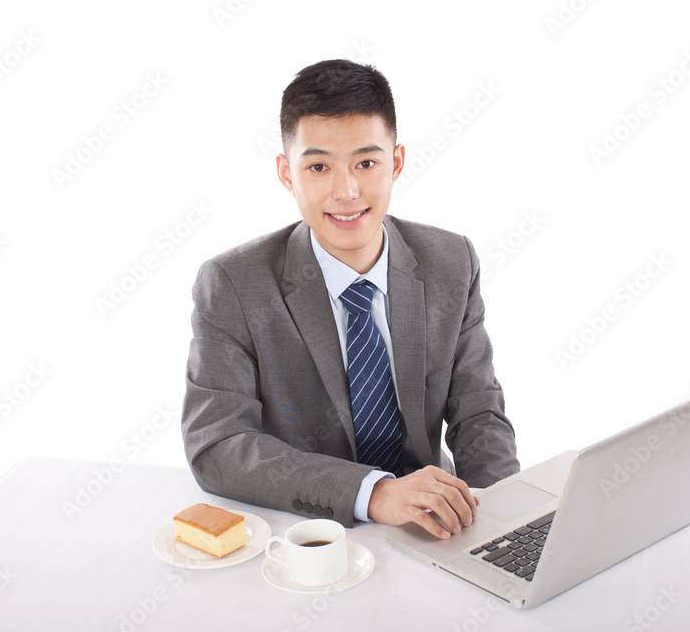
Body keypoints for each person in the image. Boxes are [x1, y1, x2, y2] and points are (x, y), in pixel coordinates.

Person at [181, 59, 519, 540]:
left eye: (367, 162)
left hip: (428, 524)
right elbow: (217, 445)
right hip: (304, 530)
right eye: (318, 166)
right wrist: (374, 493)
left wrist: (500, 518)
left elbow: (478, 413)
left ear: (396, 163)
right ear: (286, 173)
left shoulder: (451, 261)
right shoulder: (232, 284)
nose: (347, 191)